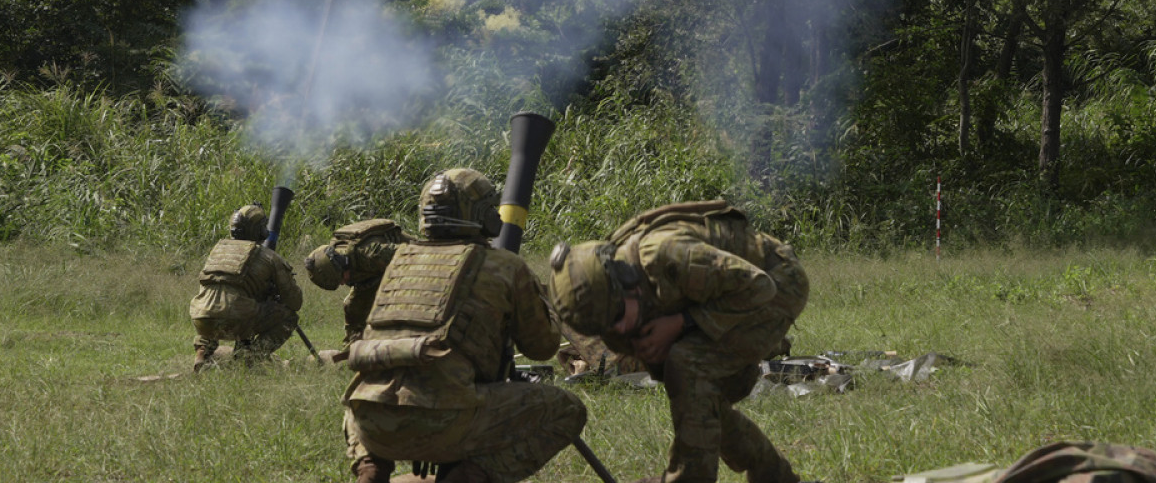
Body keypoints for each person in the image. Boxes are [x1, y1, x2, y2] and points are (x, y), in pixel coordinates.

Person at [341, 168, 587, 483]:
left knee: (363, 393)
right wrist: (548, 307)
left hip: (369, 423)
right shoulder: (504, 266)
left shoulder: (399, 259)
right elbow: (542, 348)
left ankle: (369, 470)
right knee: (567, 408)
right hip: (447, 422)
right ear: (486, 215)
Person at [547, 200, 809, 483]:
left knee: (688, 365)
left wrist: (681, 322)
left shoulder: (667, 254)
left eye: (620, 315)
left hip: (777, 283)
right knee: (699, 395)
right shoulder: (609, 301)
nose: (619, 329)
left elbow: (759, 287)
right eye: (605, 328)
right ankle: (775, 476)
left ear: (626, 279)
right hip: (722, 294)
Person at [188, 203, 304, 372]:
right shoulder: (269, 257)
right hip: (237, 319)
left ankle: (202, 353)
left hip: (201, 318)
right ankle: (250, 358)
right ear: (261, 231)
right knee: (288, 317)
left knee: (216, 308)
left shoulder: (218, 250)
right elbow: (295, 301)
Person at [304, 218, 405, 357]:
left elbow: (414, 254)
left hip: (407, 267)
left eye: (341, 279)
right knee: (352, 307)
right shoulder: (338, 258)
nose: (342, 284)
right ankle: (352, 351)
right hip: (374, 273)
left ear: (340, 265)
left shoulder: (372, 253)